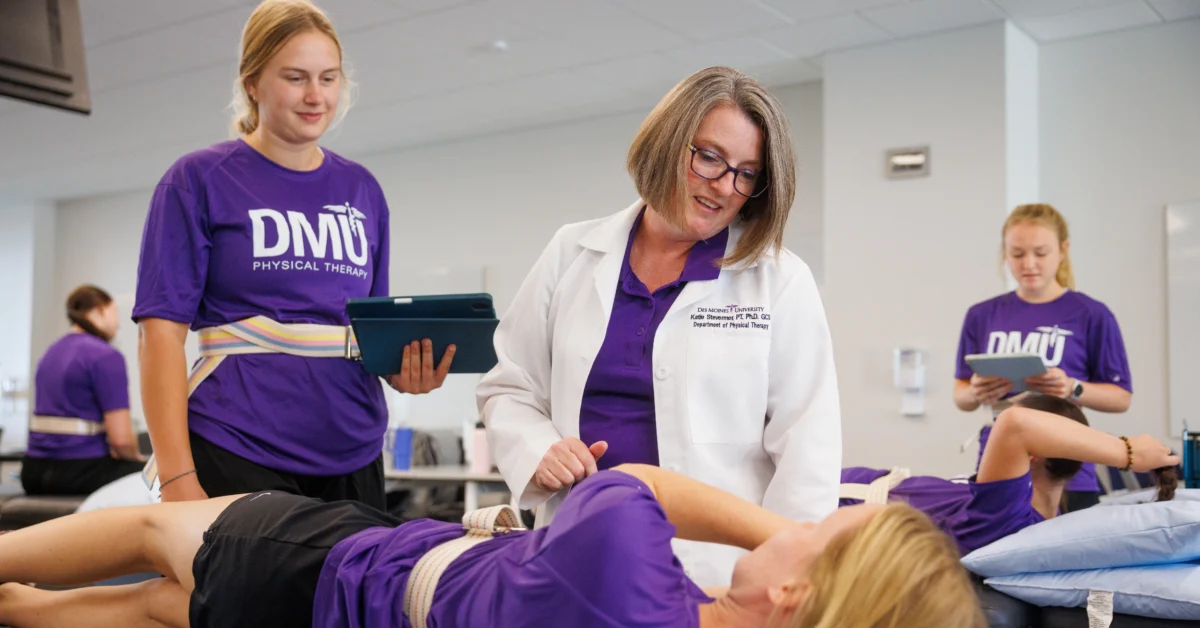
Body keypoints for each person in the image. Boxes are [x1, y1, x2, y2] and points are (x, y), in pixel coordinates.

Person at [476, 66, 842, 586]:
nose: (724, 186)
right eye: (710, 157)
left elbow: (808, 444)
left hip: (717, 569)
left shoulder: (779, 279)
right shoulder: (572, 252)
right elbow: (510, 385)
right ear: (670, 143)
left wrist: (787, 573)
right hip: (579, 549)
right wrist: (538, 451)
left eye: (746, 173)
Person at [133, 0, 452, 508]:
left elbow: (369, 329)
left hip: (352, 446)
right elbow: (159, 338)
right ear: (253, 83)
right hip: (236, 439)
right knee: (237, 589)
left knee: (345, 590)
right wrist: (176, 479)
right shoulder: (198, 180)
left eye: (328, 78)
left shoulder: (361, 189)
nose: (315, 96)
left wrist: (406, 369)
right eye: (295, 77)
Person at [0, 466, 982, 628]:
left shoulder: (629, 575)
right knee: (147, 609)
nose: (794, 520)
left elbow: (635, 484)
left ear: (799, 595)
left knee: (151, 532)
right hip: (309, 615)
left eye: (817, 529)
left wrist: (768, 530)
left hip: (323, 563)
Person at [953, 203, 1134, 511]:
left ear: (1063, 250)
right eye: (1018, 254)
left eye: (1040, 252)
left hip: (1067, 469)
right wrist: (975, 392)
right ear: (1005, 253)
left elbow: (1121, 398)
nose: (1029, 264)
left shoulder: (1091, 314)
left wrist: (1072, 388)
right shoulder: (981, 315)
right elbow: (961, 395)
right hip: (999, 465)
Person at [841, 394, 1178, 556]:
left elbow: (1014, 424)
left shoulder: (1006, 514)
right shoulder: (1045, 516)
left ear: (1032, 451)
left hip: (831, 504)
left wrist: (1126, 452)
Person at [22, 286, 144, 495]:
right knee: (157, 476)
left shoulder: (50, 353)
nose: (118, 325)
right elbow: (121, 440)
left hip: (32, 472)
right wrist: (139, 459)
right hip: (79, 472)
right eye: (114, 314)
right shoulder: (106, 356)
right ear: (99, 310)